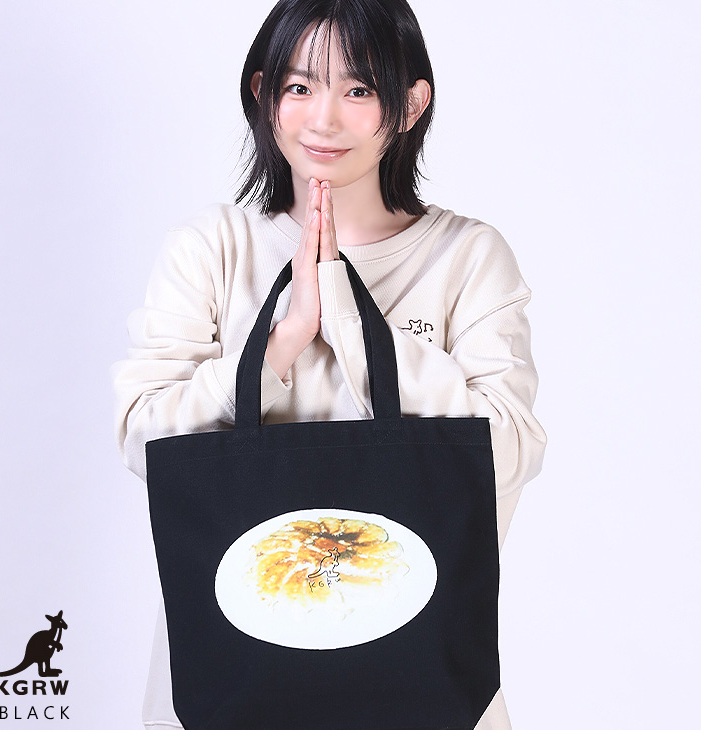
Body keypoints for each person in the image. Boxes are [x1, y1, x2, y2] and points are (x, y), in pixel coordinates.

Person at [112, 0, 546, 728]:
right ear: (263, 94)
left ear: (411, 104)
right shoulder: (211, 249)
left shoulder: (467, 256)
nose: (323, 119)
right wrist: (281, 342)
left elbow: (508, 453)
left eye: (359, 89)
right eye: (299, 86)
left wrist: (346, 314)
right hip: (234, 678)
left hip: (422, 682)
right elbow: (142, 440)